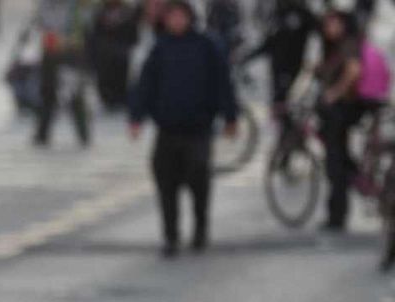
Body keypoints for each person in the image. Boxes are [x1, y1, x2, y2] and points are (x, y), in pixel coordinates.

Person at [128, 0, 238, 256]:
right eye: (172, 17)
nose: (176, 21)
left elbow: (222, 83)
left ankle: (200, 230)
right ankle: (171, 236)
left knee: (199, 179)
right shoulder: (160, 47)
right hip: (167, 129)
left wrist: (230, 117)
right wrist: (137, 118)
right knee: (166, 184)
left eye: (181, 16)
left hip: (198, 129)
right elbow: (145, 85)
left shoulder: (207, 45)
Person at [315, 9, 369, 232]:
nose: (329, 29)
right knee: (339, 160)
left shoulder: (348, 44)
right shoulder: (334, 47)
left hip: (342, 111)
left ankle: (338, 214)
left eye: (333, 23)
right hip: (335, 114)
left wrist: (334, 93)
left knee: (336, 164)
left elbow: (354, 70)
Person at [31, 0, 93, 146]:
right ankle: (42, 134)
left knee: (75, 95)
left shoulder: (78, 5)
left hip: (72, 54)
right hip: (51, 54)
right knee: (48, 93)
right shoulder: (46, 4)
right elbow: (41, 22)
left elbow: (85, 23)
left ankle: (83, 135)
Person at [242, 0, 318, 108]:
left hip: (294, 70)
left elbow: (317, 37)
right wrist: (248, 57)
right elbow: (269, 43)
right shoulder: (278, 13)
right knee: (277, 104)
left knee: (289, 104)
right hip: (276, 70)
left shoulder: (303, 14)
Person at [90, 0, 140, 111]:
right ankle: (108, 99)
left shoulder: (128, 12)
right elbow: (94, 35)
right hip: (104, 56)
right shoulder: (99, 12)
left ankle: (121, 99)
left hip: (122, 55)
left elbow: (134, 35)